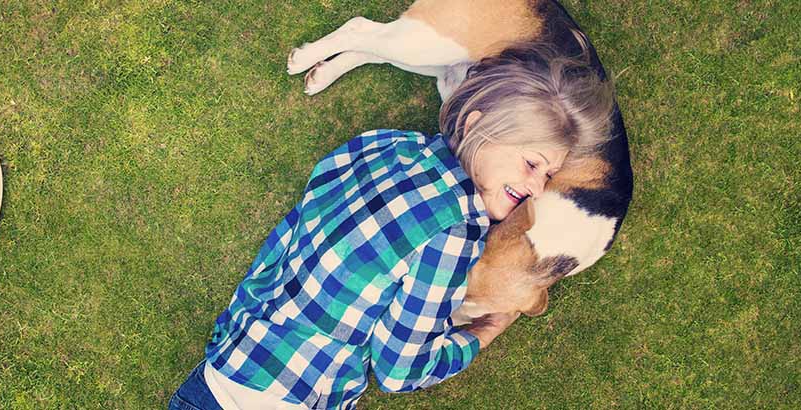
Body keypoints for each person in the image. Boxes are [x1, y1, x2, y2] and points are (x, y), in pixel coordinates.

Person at [169, 43, 615, 410]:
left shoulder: (381, 144)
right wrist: (480, 335)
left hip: (221, 372)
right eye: (532, 163)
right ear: (479, 125)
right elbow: (400, 369)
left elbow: (288, 237)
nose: (537, 188)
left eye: (546, 176)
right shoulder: (454, 234)